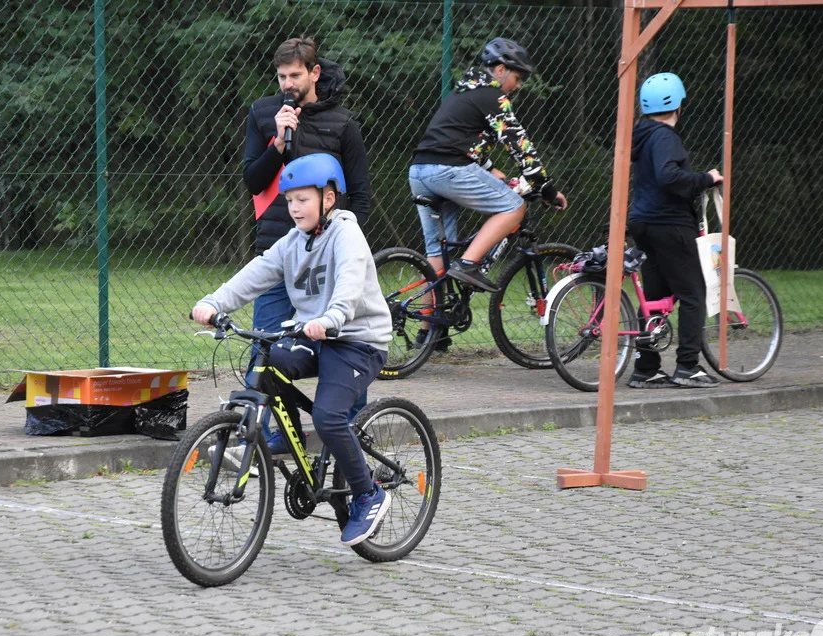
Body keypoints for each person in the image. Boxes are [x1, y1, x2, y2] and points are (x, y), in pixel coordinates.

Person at [193, 153, 393, 547]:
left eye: (303, 199)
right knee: (267, 364)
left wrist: (331, 318)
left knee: (330, 416)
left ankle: (369, 493)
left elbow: (350, 286)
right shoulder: (293, 242)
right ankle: (289, 440)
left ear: (329, 199)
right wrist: (214, 303)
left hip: (356, 340)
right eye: (289, 201)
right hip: (314, 336)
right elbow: (257, 272)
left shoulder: (346, 235)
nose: (294, 208)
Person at [242, 36, 372, 452]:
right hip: (279, 250)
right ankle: (272, 436)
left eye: (295, 75)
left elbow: (362, 195)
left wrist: (351, 247)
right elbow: (253, 180)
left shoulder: (342, 122)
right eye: (281, 76)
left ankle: (353, 431)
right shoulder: (264, 114)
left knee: (344, 344)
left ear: (314, 73)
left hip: (331, 255)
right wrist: (278, 142)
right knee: (266, 347)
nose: (287, 84)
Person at [409, 37, 568, 295]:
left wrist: (492, 170)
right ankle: (469, 264)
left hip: (420, 171)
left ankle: (430, 332)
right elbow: (520, 146)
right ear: (501, 70)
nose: (518, 86)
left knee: (437, 256)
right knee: (514, 207)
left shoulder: (463, 91)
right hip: (450, 170)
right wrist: (546, 188)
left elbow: (458, 139)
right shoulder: (493, 96)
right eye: (517, 78)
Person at [626, 72, 723, 389]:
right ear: (679, 105)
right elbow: (668, 177)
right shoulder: (665, 137)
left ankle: (646, 368)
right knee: (694, 293)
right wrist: (706, 179)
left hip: (642, 222)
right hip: (669, 223)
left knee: (654, 298)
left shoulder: (641, 134)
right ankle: (687, 368)